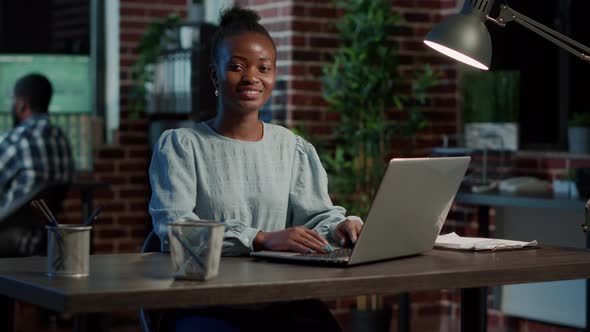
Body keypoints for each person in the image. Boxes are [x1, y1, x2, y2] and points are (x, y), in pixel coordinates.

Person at [149, 6, 363, 332]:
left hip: (282, 299)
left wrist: (339, 229)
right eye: (236, 66)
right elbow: (175, 229)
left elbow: (316, 217)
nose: (252, 77)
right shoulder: (180, 145)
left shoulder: (292, 147)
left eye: (264, 68)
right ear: (214, 75)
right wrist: (261, 238)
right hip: (206, 301)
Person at [0, 73, 73, 217]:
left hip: (9, 231)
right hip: (50, 231)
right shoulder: (61, 139)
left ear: (21, 105)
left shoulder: (16, 139)